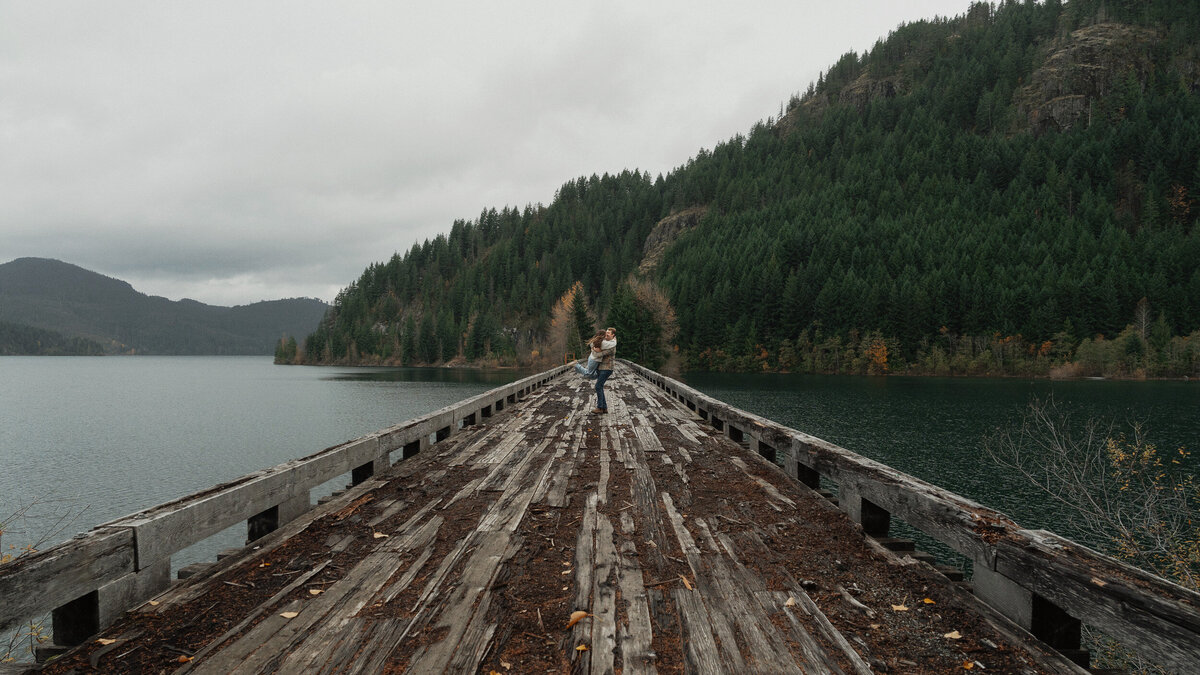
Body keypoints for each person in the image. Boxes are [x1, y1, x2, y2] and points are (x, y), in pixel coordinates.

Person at [591, 327, 616, 414]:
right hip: (601, 368)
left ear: (613, 335)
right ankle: (604, 408)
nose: (606, 335)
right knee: (600, 386)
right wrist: (594, 348)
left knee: (598, 386)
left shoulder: (612, 346)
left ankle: (600, 407)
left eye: (608, 334)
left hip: (607, 368)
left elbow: (599, 354)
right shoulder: (605, 343)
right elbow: (593, 344)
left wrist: (594, 350)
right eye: (606, 334)